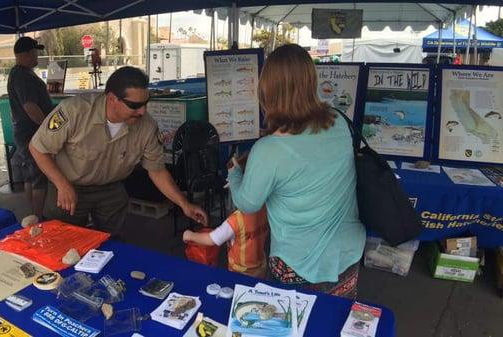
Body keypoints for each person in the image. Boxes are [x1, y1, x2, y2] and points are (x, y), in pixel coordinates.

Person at [227, 44, 366, 299]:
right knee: (336, 322)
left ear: (267, 90)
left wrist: (235, 173)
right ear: (310, 81)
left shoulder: (268, 149)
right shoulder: (338, 121)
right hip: (348, 253)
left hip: (298, 263)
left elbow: (247, 203)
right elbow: (309, 160)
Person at [29, 66, 207, 236]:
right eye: (134, 105)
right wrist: (62, 184)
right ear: (112, 98)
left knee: (110, 243)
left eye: (146, 103)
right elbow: (38, 148)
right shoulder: (74, 111)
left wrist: (184, 204)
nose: (142, 111)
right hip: (69, 186)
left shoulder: (147, 126)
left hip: (111, 190)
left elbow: (157, 170)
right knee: (62, 240)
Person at [183, 156, 269, 278]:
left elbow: (212, 239)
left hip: (241, 273)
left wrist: (190, 235)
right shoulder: (265, 208)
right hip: (261, 267)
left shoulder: (236, 220)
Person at [7, 36, 53, 220]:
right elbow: (29, 106)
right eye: (35, 52)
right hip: (31, 134)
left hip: (24, 133)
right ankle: (38, 218)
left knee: (29, 176)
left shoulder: (19, 73)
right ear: (26, 54)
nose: (37, 56)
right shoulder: (22, 76)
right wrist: (47, 128)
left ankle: (33, 215)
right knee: (39, 175)